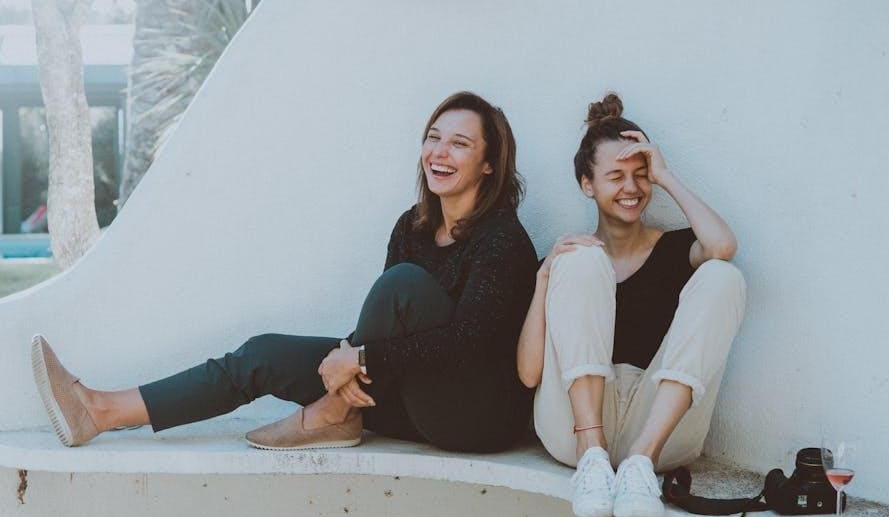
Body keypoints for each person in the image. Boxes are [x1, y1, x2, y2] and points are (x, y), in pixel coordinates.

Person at [33, 91, 538, 454]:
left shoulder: (502, 238)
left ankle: (333, 414)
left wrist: (358, 356)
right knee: (261, 354)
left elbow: (471, 342)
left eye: (460, 144)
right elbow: (387, 328)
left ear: (489, 164)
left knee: (401, 285)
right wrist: (350, 358)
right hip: (411, 397)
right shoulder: (414, 225)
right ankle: (99, 410)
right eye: (433, 137)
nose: (440, 152)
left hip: (474, 418)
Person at [517, 93, 747, 517]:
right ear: (588, 185)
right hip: (574, 428)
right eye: (616, 176)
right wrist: (544, 277)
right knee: (581, 258)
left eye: (640, 176)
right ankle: (593, 455)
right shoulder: (568, 261)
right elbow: (529, 373)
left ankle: (639, 462)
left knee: (723, 275)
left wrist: (666, 177)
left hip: (659, 430)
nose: (631, 188)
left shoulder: (675, 248)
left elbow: (723, 245)